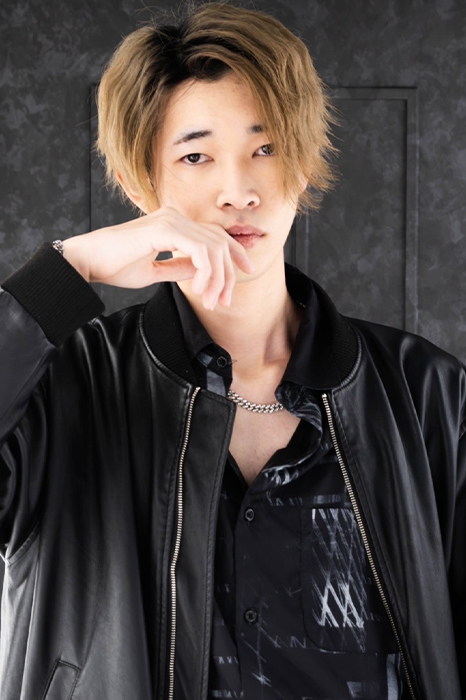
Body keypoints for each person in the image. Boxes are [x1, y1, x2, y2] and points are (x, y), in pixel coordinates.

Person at [0, 2, 464, 699]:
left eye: (265, 148)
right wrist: (70, 268)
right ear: (141, 184)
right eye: (195, 156)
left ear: (301, 167)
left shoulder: (428, 394)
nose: (239, 191)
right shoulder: (69, 387)